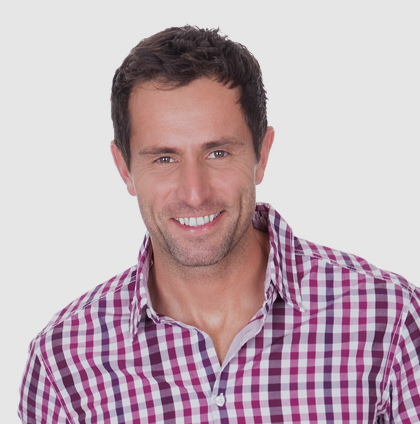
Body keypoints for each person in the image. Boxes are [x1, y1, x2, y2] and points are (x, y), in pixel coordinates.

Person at [18, 25, 420, 423]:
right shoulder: (63, 365)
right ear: (124, 169)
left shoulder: (390, 321)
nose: (194, 193)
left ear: (262, 154)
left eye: (218, 153)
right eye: (164, 158)